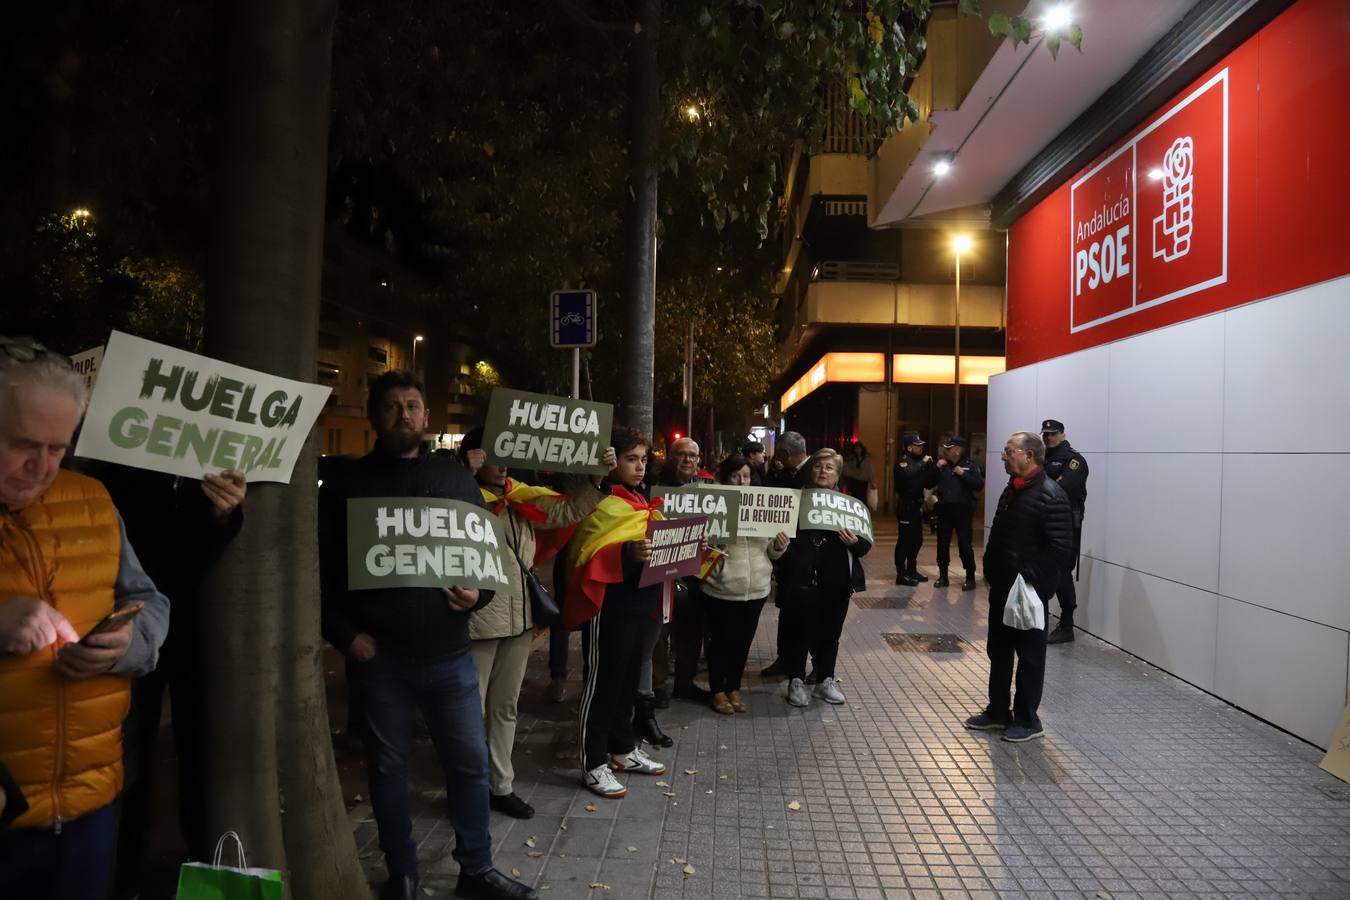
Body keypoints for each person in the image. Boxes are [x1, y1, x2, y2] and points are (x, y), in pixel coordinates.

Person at [319, 371, 535, 900]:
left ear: (426, 417)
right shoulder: (349, 485)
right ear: (374, 416)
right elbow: (319, 570)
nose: (404, 415)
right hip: (380, 660)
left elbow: (485, 561)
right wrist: (348, 637)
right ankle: (404, 875)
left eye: (413, 405)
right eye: (392, 406)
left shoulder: (456, 480)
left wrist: (477, 597)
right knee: (388, 768)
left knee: (468, 763)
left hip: (451, 655)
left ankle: (476, 868)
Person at [0, 336, 170, 900]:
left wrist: (126, 644)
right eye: (23, 444)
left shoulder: (94, 498)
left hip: (91, 805)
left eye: (57, 447)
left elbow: (148, 600)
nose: (41, 467)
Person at [97, 462, 246, 899]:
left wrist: (225, 515)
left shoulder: (211, 473)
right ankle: (126, 877)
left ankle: (201, 866)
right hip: (130, 629)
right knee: (130, 755)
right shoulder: (118, 468)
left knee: (201, 751)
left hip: (195, 630)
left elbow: (199, 549)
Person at [458, 428, 611, 820]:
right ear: (475, 456)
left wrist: (595, 481)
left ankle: (500, 786)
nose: (502, 462)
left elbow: (563, 512)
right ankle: (465, 789)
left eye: (506, 454)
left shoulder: (520, 498)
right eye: (492, 454)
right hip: (477, 623)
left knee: (504, 708)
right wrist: (459, 474)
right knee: (468, 711)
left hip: (519, 620)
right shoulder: (460, 497)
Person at [563, 427, 671, 798]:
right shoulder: (599, 502)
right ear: (611, 461)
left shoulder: (642, 501)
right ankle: (593, 763)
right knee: (602, 683)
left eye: (643, 459)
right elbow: (584, 554)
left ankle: (622, 749)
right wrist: (627, 553)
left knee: (626, 681)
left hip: (641, 604)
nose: (640, 466)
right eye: (631, 459)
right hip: (608, 606)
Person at [964, 432, 1072, 743]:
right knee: (998, 651)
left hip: (1029, 592)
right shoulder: (1011, 490)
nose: (1003, 456)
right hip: (1003, 587)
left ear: (1029, 455)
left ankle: (1028, 719)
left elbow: (1062, 550)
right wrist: (991, 567)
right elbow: (1000, 532)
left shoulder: (1052, 495)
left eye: (1009, 451)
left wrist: (1029, 575)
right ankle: (998, 712)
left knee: (1030, 655)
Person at [774, 448, 871, 707]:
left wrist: (854, 542)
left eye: (829, 467)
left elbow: (864, 546)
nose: (823, 471)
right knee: (799, 630)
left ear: (837, 474)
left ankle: (824, 681)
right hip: (801, 577)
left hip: (836, 579)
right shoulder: (796, 501)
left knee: (830, 633)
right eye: (818, 466)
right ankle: (796, 680)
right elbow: (779, 537)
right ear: (811, 470)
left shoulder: (849, 506)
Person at [701, 454, 788, 715]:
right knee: (719, 643)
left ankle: (734, 687)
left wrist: (780, 546)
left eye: (747, 476)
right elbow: (702, 549)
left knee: (742, 642)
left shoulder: (763, 505)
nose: (742, 481)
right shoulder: (713, 505)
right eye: (736, 475)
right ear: (725, 478)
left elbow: (771, 550)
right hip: (722, 587)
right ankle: (717, 690)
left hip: (757, 588)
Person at [656, 436, 711, 706]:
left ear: (699, 461)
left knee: (691, 631)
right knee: (660, 632)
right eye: (681, 454)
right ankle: (656, 686)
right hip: (662, 570)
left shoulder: (705, 491)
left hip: (694, 573)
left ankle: (684, 683)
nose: (688, 460)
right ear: (670, 457)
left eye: (693, 455)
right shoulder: (653, 489)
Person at [760, 431, 811, 679]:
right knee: (787, 608)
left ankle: (808, 664)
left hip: (805, 552)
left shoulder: (812, 472)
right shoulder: (787, 473)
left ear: (785, 453)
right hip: (787, 551)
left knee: (805, 612)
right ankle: (785, 659)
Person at [1040, 419, 1089, 644]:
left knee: (1061, 573)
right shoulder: (1041, 458)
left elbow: (1060, 488)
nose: (1048, 438)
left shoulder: (1074, 461)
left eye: (1053, 434)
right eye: (1046, 434)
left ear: (1062, 434)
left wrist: (1044, 484)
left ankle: (1066, 624)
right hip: (1042, 522)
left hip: (1066, 525)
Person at [931, 436, 984, 591]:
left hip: (963, 511)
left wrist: (963, 474)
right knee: (942, 543)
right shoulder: (943, 466)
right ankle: (943, 576)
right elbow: (929, 482)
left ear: (957, 451)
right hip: (944, 510)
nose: (945, 451)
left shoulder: (969, 466)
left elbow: (978, 485)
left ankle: (970, 577)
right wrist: (935, 468)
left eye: (948, 449)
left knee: (965, 544)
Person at [893, 432, 932, 586]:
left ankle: (912, 570)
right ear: (909, 448)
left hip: (916, 505)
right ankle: (901, 574)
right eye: (918, 445)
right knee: (904, 540)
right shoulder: (903, 461)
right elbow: (908, 474)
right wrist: (923, 463)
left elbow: (926, 481)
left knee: (917, 540)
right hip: (906, 506)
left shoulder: (916, 462)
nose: (921, 448)